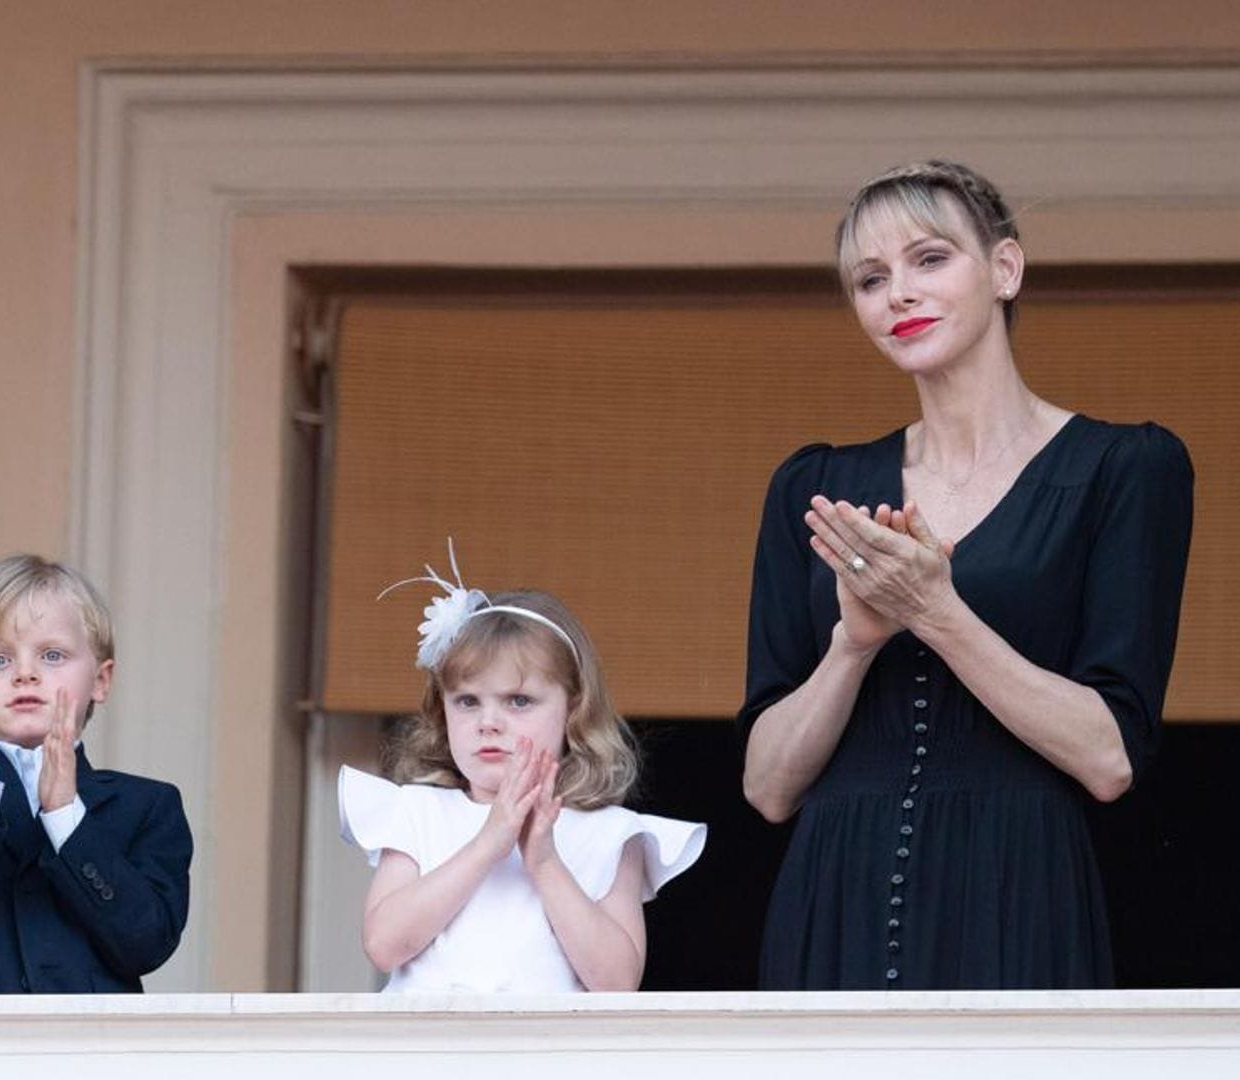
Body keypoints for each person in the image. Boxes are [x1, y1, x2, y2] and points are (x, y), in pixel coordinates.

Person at [739, 160, 1194, 989]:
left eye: (930, 259)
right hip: (832, 891)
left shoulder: (1126, 468)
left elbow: (1109, 757)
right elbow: (768, 788)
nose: (898, 294)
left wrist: (937, 613)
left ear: (1006, 270)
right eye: (870, 279)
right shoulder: (811, 488)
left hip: (1015, 890)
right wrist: (853, 644)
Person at [339, 549, 704, 992]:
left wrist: (544, 860)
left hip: (548, 1058)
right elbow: (383, 944)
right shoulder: (417, 811)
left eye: (519, 701)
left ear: (573, 709)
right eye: (468, 701)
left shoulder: (609, 833)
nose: (488, 722)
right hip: (430, 1056)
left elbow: (617, 982)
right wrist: (488, 844)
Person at [0, 554, 191, 993]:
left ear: (101, 680)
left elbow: (146, 944)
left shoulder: (150, 806)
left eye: (52, 655)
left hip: (93, 1051)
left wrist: (66, 815)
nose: (25, 673)